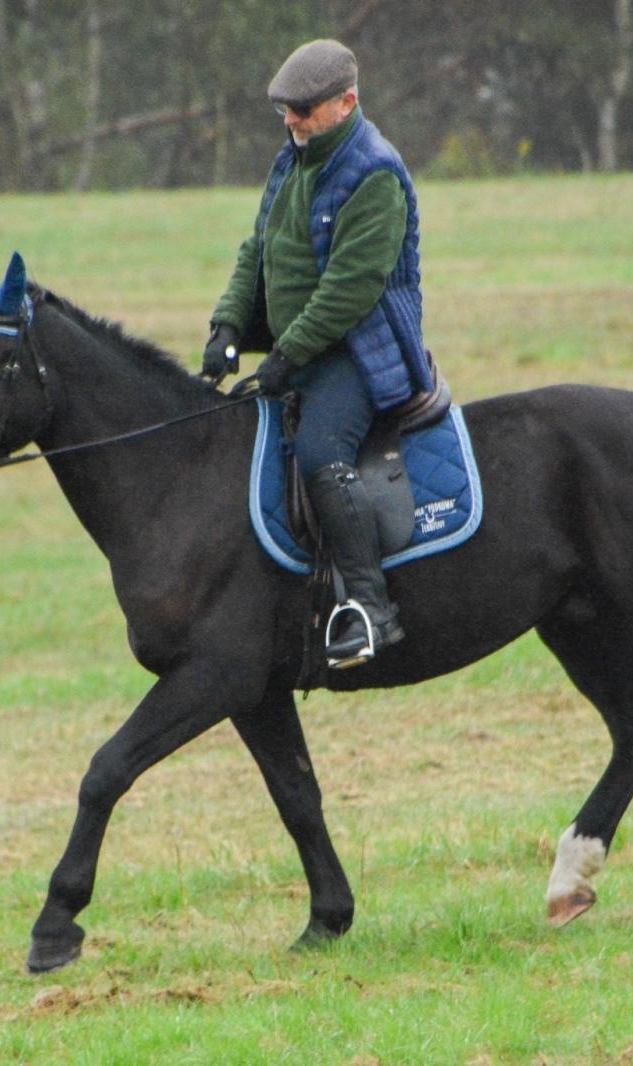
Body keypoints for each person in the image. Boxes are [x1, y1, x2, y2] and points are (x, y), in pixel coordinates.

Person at [202, 38, 435, 667]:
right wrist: (228, 327)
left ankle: (370, 608)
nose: (290, 120)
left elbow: (350, 291)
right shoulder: (293, 161)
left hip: (361, 353)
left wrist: (286, 355)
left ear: (346, 102)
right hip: (302, 345)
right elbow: (259, 249)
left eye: (302, 110)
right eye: (284, 110)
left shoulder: (376, 172)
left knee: (319, 451)